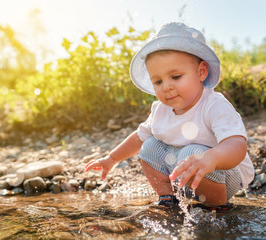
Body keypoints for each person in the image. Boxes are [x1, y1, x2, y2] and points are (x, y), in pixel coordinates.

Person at [84, 22, 254, 209]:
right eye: (158, 81)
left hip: (223, 174)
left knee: (192, 153)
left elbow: (237, 146)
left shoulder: (214, 105)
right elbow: (138, 138)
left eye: (175, 77)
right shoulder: (160, 109)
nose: (166, 87)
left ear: (201, 72)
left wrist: (212, 158)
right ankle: (168, 198)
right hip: (183, 176)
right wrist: (111, 159)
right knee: (149, 146)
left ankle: (217, 206)